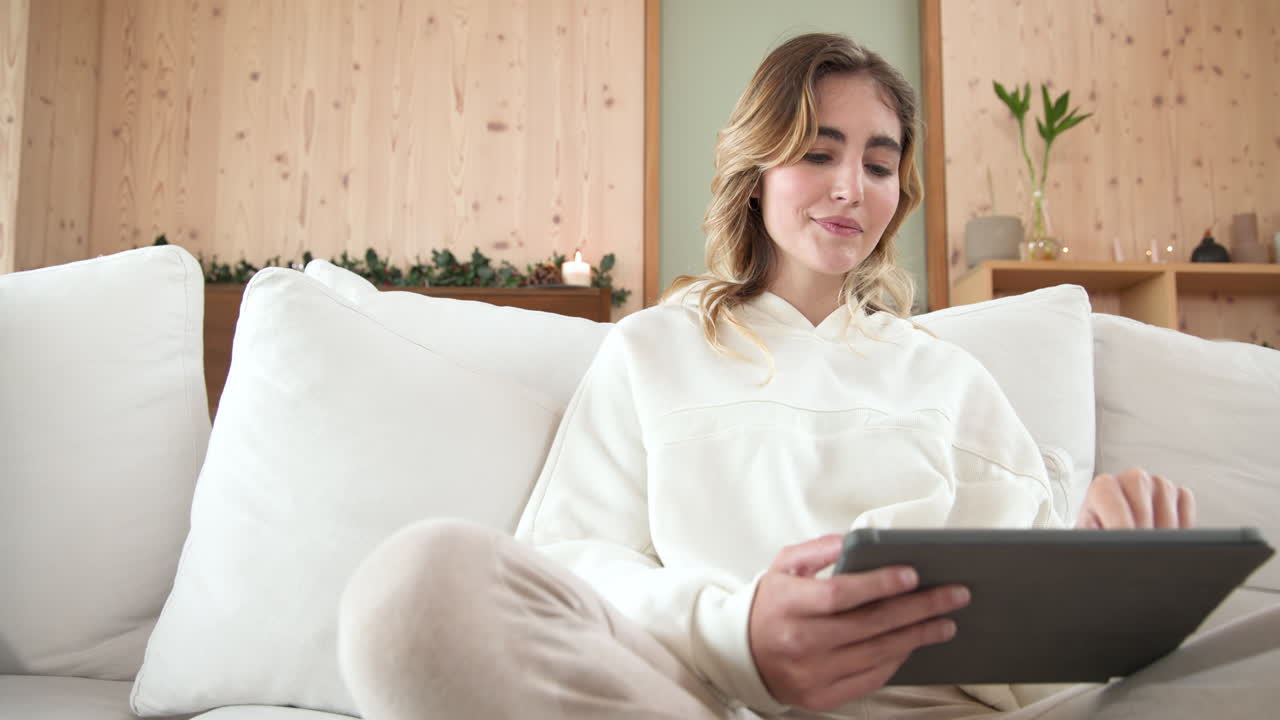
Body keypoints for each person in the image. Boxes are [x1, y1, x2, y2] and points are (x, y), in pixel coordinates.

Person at [337, 33, 1279, 720]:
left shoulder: (950, 382)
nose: (849, 188)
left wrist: (1107, 583)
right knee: (415, 594)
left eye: (878, 163)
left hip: (938, 712)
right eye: (818, 151)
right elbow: (573, 568)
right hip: (703, 703)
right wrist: (738, 636)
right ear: (757, 172)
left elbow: (1040, 664)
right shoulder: (651, 353)